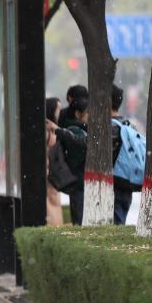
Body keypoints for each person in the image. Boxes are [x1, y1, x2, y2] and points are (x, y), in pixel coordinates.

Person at [47, 96, 88, 225]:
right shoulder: (73, 130)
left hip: (65, 180)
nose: (60, 112)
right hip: (65, 180)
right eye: (57, 109)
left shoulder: (63, 129)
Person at [110, 85, 134, 225]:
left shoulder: (110, 127)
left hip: (114, 185)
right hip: (127, 182)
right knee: (120, 223)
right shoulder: (127, 125)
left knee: (114, 228)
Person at [45, 97, 64, 226]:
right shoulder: (48, 128)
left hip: (53, 171)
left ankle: (56, 228)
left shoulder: (54, 128)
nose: (60, 112)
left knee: (54, 202)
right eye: (58, 109)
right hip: (48, 171)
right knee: (51, 203)